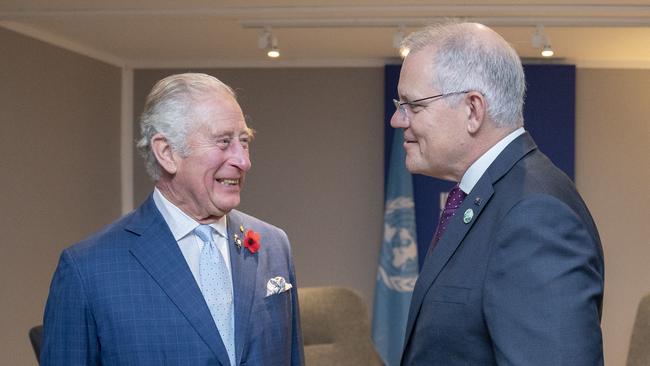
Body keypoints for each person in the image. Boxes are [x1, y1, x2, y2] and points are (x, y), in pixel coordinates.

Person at [41, 73, 304, 366]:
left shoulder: (274, 245)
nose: (243, 160)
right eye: (223, 141)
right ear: (167, 153)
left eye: (244, 141)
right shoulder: (88, 270)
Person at [392, 23, 604, 365]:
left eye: (412, 106)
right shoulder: (491, 198)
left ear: (473, 110)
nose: (397, 120)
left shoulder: (535, 216)